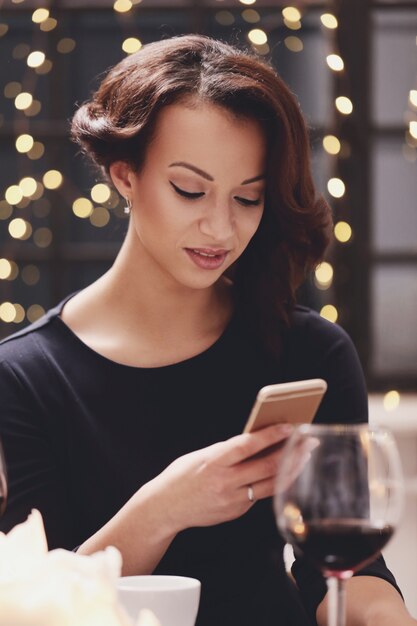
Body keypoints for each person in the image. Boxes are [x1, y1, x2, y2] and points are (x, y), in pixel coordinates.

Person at [0, 34, 414, 626]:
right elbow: (28, 605)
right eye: (189, 190)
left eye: (248, 198)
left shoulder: (308, 350)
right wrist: (164, 508)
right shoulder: (22, 380)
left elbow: (346, 579)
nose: (220, 228)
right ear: (124, 175)